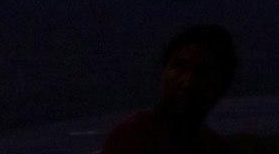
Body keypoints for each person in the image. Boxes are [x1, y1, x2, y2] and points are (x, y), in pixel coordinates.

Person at [102, 24, 238, 154]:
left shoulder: (215, 147)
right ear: (163, 72)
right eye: (179, 67)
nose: (188, 81)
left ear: (223, 82)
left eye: (203, 72)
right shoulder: (132, 137)